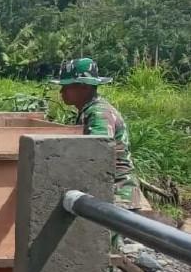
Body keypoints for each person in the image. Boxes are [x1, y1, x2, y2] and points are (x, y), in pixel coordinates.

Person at [52, 57, 147, 212]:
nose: (62, 92)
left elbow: (96, 157)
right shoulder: (89, 111)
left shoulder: (99, 114)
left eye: (67, 86)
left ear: (84, 87)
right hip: (109, 193)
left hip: (117, 195)